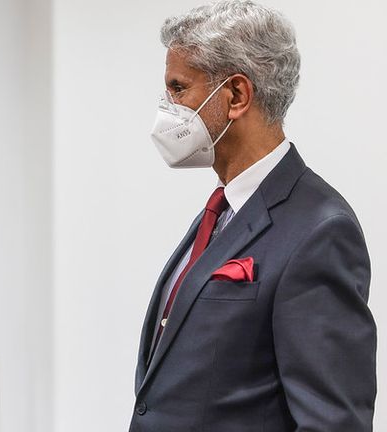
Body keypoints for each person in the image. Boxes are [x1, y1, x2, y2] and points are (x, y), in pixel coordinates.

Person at [132, 1, 376, 431]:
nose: (167, 107)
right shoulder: (222, 211)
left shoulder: (320, 229)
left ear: (237, 96)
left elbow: (334, 422)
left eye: (178, 88)